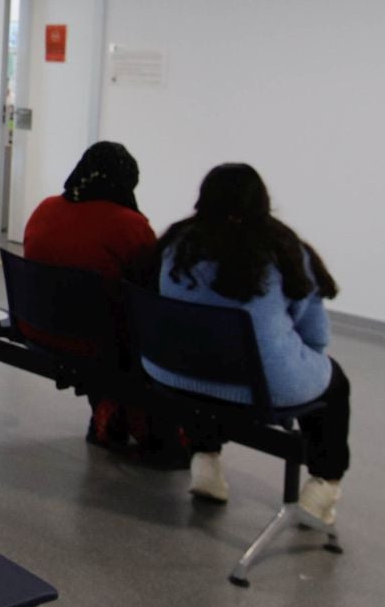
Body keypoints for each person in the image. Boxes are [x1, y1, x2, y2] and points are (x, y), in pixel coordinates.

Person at [143, 163, 349, 524]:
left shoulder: (177, 245)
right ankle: (324, 482)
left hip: (175, 374)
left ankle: (205, 459)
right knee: (335, 385)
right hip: (260, 385)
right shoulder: (284, 252)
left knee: (207, 354)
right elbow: (316, 337)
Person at [21, 142, 172, 458]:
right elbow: (150, 290)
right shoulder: (130, 225)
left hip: (36, 327)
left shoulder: (45, 209)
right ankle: (147, 428)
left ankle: (110, 413)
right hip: (94, 341)